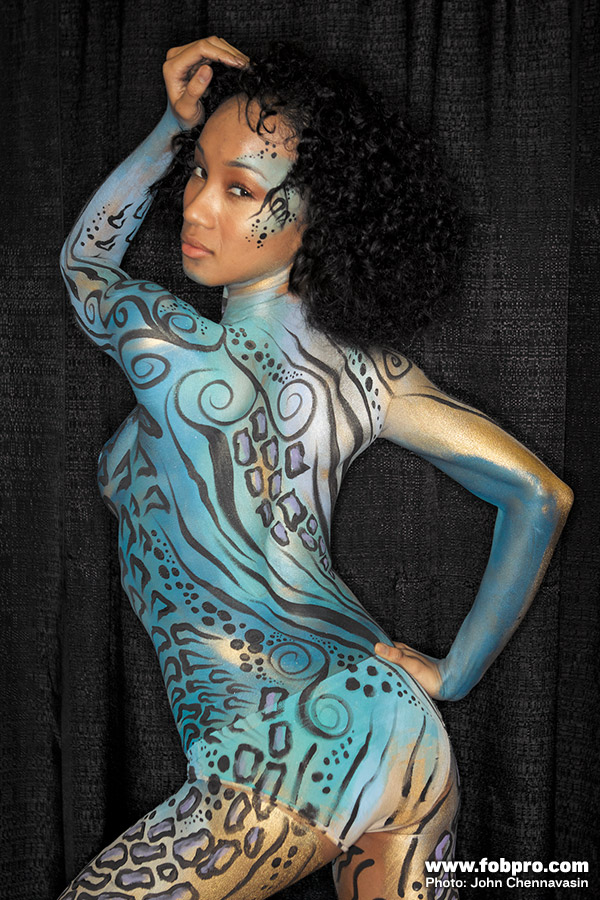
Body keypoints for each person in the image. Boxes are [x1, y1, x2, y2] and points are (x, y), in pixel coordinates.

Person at [57, 35, 573, 900]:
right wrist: (454, 675)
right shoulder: (373, 376)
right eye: (195, 171)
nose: (195, 207)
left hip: (284, 751)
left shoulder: (165, 345)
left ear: (318, 217)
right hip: (401, 735)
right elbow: (538, 493)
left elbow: (83, 263)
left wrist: (164, 130)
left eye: (241, 190)